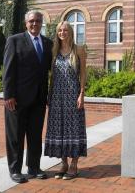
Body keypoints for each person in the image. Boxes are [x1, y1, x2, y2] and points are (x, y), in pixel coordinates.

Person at [3, 10, 53, 183]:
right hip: (17, 99)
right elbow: (8, 70)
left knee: (35, 135)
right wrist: (8, 94)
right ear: (26, 23)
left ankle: (33, 167)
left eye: (38, 21)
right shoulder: (14, 40)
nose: (35, 24)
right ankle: (15, 169)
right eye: (32, 21)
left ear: (42, 23)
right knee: (15, 136)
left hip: (39, 99)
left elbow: (49, 71)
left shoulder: (47, 43)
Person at [44, 21, 87, 180]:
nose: (62, 32)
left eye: (65, 30)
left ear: (71, 32)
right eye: (60, 30)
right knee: (59, 127)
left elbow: (83, 73)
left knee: (74, 127)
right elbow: (52, 76)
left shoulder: (79, 50)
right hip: (56, 95)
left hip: (73, 94)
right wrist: (49, 94)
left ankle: (74, 164)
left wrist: (82, 93)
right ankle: (63, 163)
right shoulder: (54, 51)